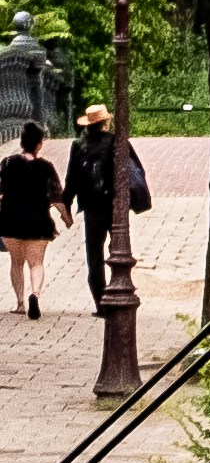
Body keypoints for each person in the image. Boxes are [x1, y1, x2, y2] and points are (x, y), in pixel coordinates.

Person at [61, 102, 140, 314]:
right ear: (106, 122)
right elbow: (133, 171)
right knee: (119, 251)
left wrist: (66, 205)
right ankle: (120, 293)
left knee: (94, 257)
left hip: (91, 208)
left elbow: (72, 178)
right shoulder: (116, 142)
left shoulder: (79, 145)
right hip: (115, 206)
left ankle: (101, 302)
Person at [0, 122, 54, 317]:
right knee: (36, 263)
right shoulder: (46, 168)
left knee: (16, 262)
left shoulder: (7, 163)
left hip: (10, 221)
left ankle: (20, 303)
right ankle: (35, 294)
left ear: (21, 142)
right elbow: (57, 196)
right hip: (38, 222)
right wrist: (66, 217)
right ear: (39, 144)